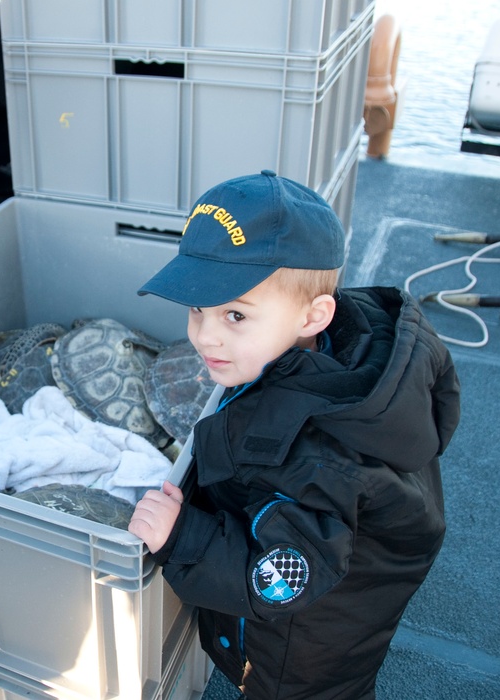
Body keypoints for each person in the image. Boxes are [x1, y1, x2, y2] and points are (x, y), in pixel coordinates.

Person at [129, 170, 460, 699]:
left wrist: (181, 537)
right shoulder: (331, 344)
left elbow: (278, 582)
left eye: (235, 314)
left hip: (303, 651)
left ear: (314, 315)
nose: (204, 335)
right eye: (197, 308)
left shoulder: (319, 463)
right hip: (354, 568)